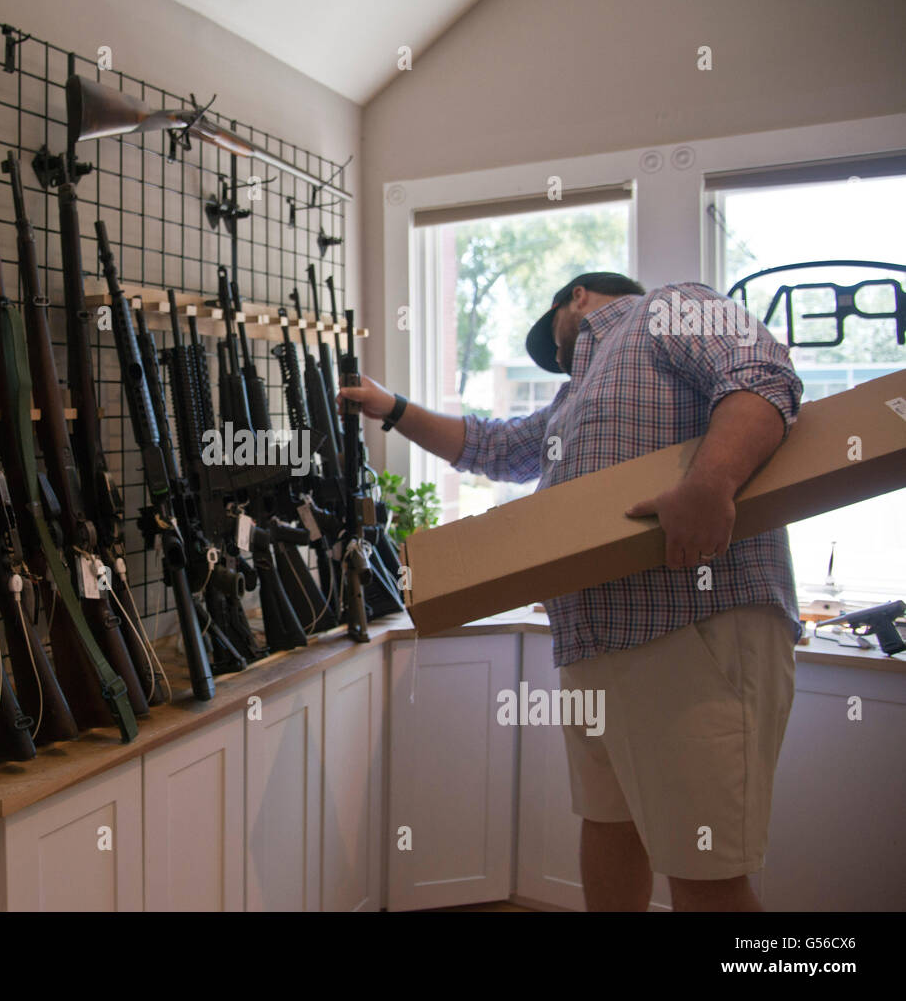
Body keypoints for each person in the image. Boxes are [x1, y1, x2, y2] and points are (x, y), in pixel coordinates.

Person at [339, 272, 804, 912]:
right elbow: (495, 448)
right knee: (609, 829)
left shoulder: (669, 307)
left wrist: (712, 483)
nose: (558, 361)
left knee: (707, 872)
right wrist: (392, 407)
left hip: (692, 625)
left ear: (578, 296)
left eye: (555, 346)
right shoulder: (571, 398)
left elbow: (761, 373)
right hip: (594, 641)